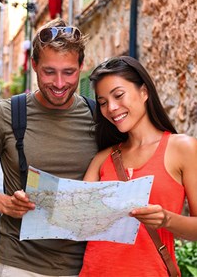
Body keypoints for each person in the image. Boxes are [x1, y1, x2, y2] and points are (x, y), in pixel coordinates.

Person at [0, 17, 97, 276]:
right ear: (34, 65)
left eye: (69, 72)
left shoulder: (98, 117)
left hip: (85, 266)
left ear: (81, 66)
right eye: (49, 71)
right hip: (19, 263)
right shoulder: (5, 115)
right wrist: (2, 203)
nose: (58, 83)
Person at [79, 56, 197, 276]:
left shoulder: (183, 148)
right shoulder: (102, 158)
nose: (111, 108)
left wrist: (167, 219)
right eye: (103, 102)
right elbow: (79, 222)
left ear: (144, 92)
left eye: (118, 95)